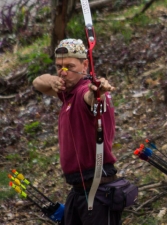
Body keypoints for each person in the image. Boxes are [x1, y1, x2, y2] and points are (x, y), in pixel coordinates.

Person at [33, 38, 122, 225]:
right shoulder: (67, 92)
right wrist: (53, 79)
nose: (63, 72)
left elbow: (92, 97)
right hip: (79, 189)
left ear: (85, 65)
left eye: (69, 66)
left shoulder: (83, 91)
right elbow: (37, 82)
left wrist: (99, 92)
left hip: (98, 190)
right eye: (59, 66)